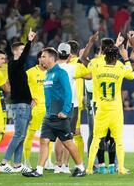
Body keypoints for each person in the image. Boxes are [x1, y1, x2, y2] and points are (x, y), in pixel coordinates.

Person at [22, 47, 86, 177]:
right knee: (44, 141)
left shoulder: (61, 73)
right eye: (41, 57)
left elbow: (68, 93)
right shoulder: (48, 74)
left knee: (68, 142)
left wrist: (65, 111)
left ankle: (81, 168)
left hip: (60, 114)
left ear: (52, 58)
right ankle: (39, 170)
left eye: (44, 56)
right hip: (49, 114)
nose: (41, 59)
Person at [86, 45, 134, 175]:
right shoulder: (120, 68)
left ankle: (89, 168)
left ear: (105, 56)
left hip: (101, 108)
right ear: (116, 57)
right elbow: (132, 75)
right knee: (118, 140)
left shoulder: (97, 67)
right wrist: (126, 58)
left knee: (96, 139)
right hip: (115, 110)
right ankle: (122, 168)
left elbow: (87, 63)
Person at [0, 29, 36, 173]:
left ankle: (17, 164)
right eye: (21, 49)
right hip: (20, 105)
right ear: (15, 51)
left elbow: (22, 86)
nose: (23, 51)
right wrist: (29, 41)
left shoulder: (18, 66)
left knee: (22, 135)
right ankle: (3, 163)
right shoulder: (14, 64)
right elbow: (25, 56)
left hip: (23, 103)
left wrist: (30, 99)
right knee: (19, 135)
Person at [54, 42, 90, 174]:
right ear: (69, 55)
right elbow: (90, 75)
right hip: (71, 106)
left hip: (57, 105)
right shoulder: (74, 68)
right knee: (69, 136)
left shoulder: (53, 68)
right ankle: (65, 164)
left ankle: (58, 165)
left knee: (59, 136)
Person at [22, 51, 54, 170]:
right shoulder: (30, 72)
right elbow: (20, 87)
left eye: (47, 58)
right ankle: (26, 161)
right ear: (39, 59)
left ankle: (48, 161)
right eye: (43, 57)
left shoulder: (51, 72)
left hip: (50, 109)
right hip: (35, 110)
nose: (45, 60)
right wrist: (28, 98)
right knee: (30, 135)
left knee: (50, 136)